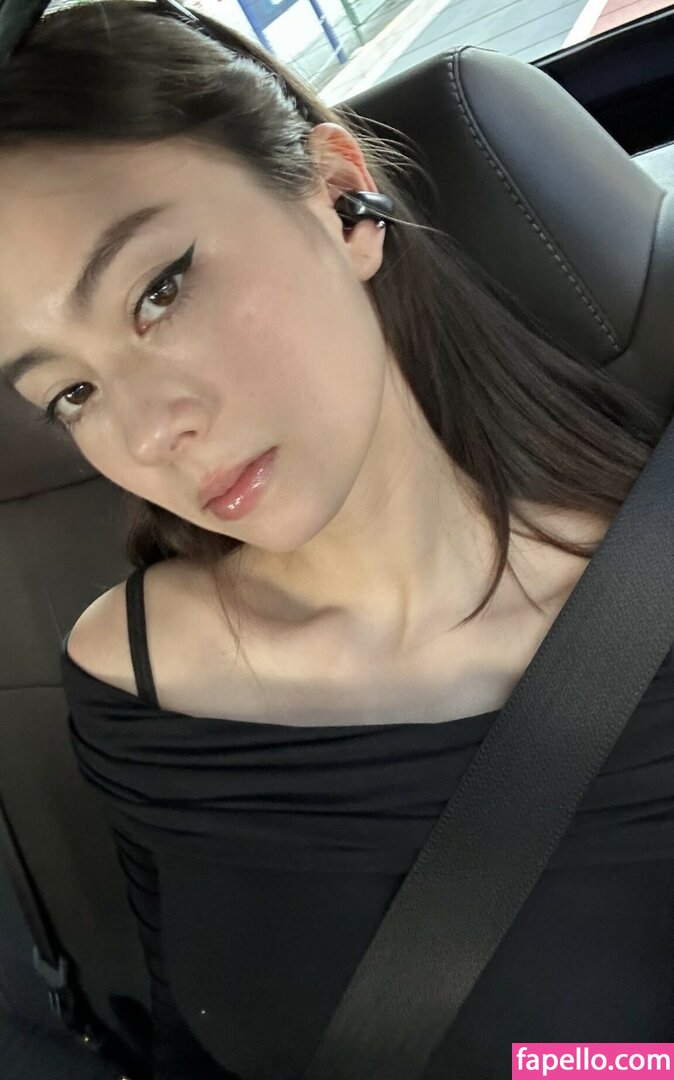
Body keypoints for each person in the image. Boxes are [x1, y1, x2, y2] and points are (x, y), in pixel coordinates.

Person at [0, 2, 672, 1077]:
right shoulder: (132, 667)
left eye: (159, 292)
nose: (148, 433)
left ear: (336, 196)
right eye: (70, 393)